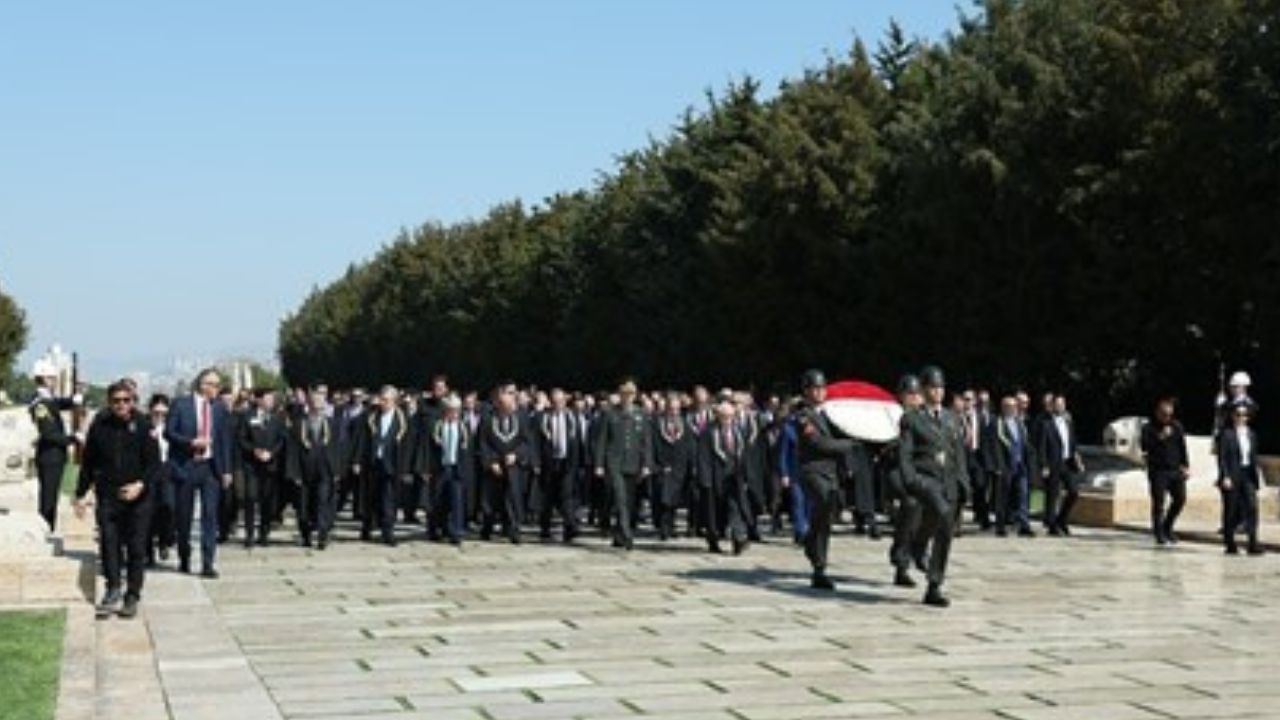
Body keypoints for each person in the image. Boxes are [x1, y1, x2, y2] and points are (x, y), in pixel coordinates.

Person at [75, 381, 162, 618]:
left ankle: (132, 594)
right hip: (109, 495)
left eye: (126, 400)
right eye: (117, 401)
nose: (122, 405)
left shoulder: (144, 425)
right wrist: (81, 494)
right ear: (109, 402)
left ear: (133, 401)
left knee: (136, 547)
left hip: (139, 497)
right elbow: (88, 463)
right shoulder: (100, 425)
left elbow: (154, 465)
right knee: (109, 543)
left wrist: (140, 485)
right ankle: (113, 588)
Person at [899, 366, 969, 607]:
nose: (938, 392)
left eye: (941, 387)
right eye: (933, 387)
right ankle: (919, 546)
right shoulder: (912, 418)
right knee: (940, 511)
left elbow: (958, 455)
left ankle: (933, 586)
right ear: (924, 389)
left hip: (947, 481)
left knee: (945, 530)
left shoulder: (952, 418)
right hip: (924, 478)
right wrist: (910, 479)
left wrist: (964, 484)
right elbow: (905, 454)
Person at [794, 369, 859, 590]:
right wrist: (849, 446)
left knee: (827, 517)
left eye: (822, 388)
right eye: (815, 388)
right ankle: (819, 562)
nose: (820, 392)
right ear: (806, 392)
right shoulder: (804, 415)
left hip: (831, 472)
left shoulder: (830, 414)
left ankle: (814, 548)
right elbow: (818, 443)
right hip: (812, 470)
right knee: (824, 500)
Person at [166, 368, 233, 578]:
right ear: (202, 385)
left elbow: (224, 440)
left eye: (218, 385)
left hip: (210, 468)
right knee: (184, 516)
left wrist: (226, 470)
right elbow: (169, 432)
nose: (217, 389)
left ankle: (208, 563)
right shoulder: (181, 404)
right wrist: (190, 443)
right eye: (213, 385)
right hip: (186, 466)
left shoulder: (220, 408)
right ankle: (184, 554)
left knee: (210, 515)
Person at [594, 380, 653, 551]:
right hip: (614, 462)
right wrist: (599, 464)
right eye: (625, 393)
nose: (628, 397)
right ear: (619, 395)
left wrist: (647, 463)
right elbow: (602, 441)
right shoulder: (610, 413)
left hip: (633, 462)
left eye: (631, 394)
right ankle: (627, 535)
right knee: (620, 499)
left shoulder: (641, 414)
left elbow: (645, 442)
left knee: (629, 501)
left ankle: (619, 534)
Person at [352, 385, 413, 546]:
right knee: (370, 497)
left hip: (392, 465)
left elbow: (408, 446)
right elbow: (361, 440)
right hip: (372, 463)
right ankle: (366, 528)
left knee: (389, 499)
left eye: (386, 400)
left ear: (395, 401)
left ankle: (388, 532)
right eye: (381, 399)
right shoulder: (371, 416)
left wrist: (406, 469)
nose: (383, 403)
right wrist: (357, 461)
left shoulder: (403, 419)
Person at [285, 387, 342, 549]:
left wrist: (337, 470)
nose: (317, 404)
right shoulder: (299, 423)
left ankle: (323, 534)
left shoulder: (332, 423)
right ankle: (306, 533)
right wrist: (293, 472)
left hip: (325, 469)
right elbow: (293, 449)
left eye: (320, 400)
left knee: (323, 501)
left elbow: (337, 448)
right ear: (308, 403)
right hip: (304, 470)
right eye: (314, 400)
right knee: (303, 505)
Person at [28, 359, 81, 532]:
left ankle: (48, 527)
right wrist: (72, 438)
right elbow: (49, 433)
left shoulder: (46, 399)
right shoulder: (40, 403)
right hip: (49, 455)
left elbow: (58, 403)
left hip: (54, 455)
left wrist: (73, 400)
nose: (54, 380)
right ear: (43, 379)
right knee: (48, 497)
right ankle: (45, 529)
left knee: (52, 496)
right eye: (51, 378)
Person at [480, 383, 535, 544]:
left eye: (512, 396)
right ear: (498, 399)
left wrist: (516, 455)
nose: (511, 399)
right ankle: (487, 527)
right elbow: (483, 443)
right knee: (491, 500)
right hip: (494, 466)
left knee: (513, 497)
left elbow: (527, 442)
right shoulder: (488, 418)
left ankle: (514, 529)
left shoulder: (522, 417)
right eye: (507, 395)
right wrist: (491, 461)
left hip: (513, 465)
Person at [882, 374, 924, 587]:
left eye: (917, 394)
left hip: (920, 471)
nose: (914, 398)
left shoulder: (925, 417)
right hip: (896, 471)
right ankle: (902, 560)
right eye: (909, 394)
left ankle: (906, 553)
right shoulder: (890, 416)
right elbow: (880, 445)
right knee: (911, 503)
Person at [697, 399, 752, 555]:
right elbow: (703, 457)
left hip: (734, 477)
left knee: (736, 508)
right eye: (724, 416)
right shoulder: (708, 432)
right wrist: (705, 479)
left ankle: (738, 538)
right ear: (718, 416)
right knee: (715, 512)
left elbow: (745, 455)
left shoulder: (738, 431)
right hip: (715, 478)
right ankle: (713, 539)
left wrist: (746, 477)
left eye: (730, 416)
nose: (727, 419)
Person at [423, 394, 474, 545]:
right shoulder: (437, 425)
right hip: (440, 468)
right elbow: (428, 449)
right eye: (451, 410)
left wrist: (466, 472)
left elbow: (467, 452)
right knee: (437, 500)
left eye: (457, 410)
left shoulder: (463, 427)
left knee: (457, 501)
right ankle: (436, 529)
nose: (454, 414)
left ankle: (456, 532)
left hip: (456, 468)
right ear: (445, 410)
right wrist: (426, 468)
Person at [239, 389, 287, 547]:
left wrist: (272, 453)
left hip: (270, 465)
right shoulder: (248, 416)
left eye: (272, 399)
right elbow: (241, 439)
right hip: (251, 465)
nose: (271, 402)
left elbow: (281, 440)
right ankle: (249, 533)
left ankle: (264, 532)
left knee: (267, 500)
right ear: (259, 400)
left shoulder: (279, 418)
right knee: (250, 498)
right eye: (267, 399)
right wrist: (254, 450)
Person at [1139, 397, 1190, 546]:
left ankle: (1167, 526)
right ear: (1157, 412)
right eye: (1164, 414)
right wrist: (1160, 437)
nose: (1167, 417)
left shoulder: (1177, 426)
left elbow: (1182, 447)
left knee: (1180, 499)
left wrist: (1185, 465)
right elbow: (1145, 447)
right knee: (1158, 503)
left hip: (1175, 469)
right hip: (1158, 471)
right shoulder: (1148, 428)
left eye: (1169, 414)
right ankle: (1159, 533)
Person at [1216, 402, 1265, 556]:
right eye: (1238, 415)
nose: (1241, 418)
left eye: (1244, 415)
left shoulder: (1251, 434)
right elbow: (1222, 457)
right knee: (1231, 510)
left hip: (1248, 474)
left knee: (1252, 507)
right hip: (1232, 474)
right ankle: (1230, 542)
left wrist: (1257, 475)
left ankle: (1253, 543)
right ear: (1233, 416)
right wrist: (1225, 476)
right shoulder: (1227, 434)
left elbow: (1253, 457)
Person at [984, 396, 1035, 538]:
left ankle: (1024, 525)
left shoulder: (1020, 423)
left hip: (1020, 465)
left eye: (1014, 406)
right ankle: (1000, 525)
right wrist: (995, 466)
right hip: (1004, 465)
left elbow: (1025, 444)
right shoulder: (996, 423)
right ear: (1003, 407)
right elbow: (991, 446)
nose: (1012, 409)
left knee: (1023, 495)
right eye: (1008, 406)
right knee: (1003, 496)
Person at [536, 388, 581, 542]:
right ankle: (545, 528)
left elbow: (578, 443)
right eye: (555, 401)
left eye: (560, 401)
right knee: (548, 496)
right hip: (549, 462)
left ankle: (570, 528)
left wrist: (579, 464)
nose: (558, 404)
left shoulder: (572, 417)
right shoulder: (543, 417)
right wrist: (537, 463)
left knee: (566, 495)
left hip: (567, 462)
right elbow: (537, 442)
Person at [1038, 394, 1083, 536]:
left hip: (1067, 462)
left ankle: (1061, 519)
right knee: (1053, 495)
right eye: (1057, 404)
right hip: (1053, 463)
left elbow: (1072, 442)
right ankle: (1052, 526)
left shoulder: (1068, 421)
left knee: (1074, 491)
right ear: (1052, 406)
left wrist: (1077, 459)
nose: (1060, 407)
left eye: (1062, 404)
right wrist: (1044, 465)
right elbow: (1042, 446)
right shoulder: (1046, 423)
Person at [652, 393, 695, 541]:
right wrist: (656, 464)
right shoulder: (657, 424)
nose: (674, 412)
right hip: (663, 466)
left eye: (677, 409)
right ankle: (663, 528)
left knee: (674, 499)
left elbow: (690, 446)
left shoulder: (684, 424)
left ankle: (670, 525)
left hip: (679, 467)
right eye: (671, 409)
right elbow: (652, 445)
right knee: (663, 498)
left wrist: (691, 465)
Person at [144, 395, 175, 567]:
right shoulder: (144, 426)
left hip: (167, 470)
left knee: (168, 506)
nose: (160, 415)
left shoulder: (172, 426)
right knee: (147, 512)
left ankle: (165, 540)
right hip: (150, 471)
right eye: (156, 412)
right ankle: (148, 553)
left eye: (163, 412)